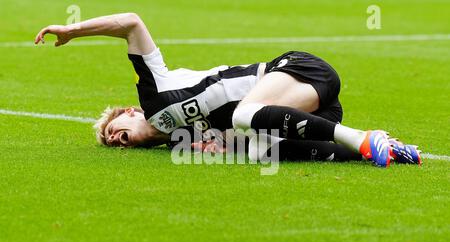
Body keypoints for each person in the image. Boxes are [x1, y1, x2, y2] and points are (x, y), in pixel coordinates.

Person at [34, 12, 421, 167]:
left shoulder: (153, 95)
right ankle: (382, 148)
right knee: (257, 151)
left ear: (130, 112)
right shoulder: (180, 143)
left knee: (242, 116)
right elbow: (234, 141)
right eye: (111, 143)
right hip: (315, 112)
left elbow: (132, 23)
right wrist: (222, 142)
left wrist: (74, 30)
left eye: (112, 130)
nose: (115, 139)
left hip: (298, 69)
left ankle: (363, 139)